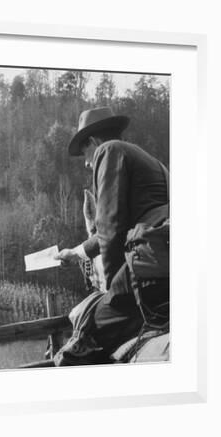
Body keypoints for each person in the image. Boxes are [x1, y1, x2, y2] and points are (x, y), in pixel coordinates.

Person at [55, 106, 169, 359]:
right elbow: (129, 223)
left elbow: (110, 225)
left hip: (148, 269)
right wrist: (78, 252)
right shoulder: (153, 162)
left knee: (88, 334)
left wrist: (111, 290)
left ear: (94, 141)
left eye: (85, 152)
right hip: (169, 263)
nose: (86, 162)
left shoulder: (109, 150)